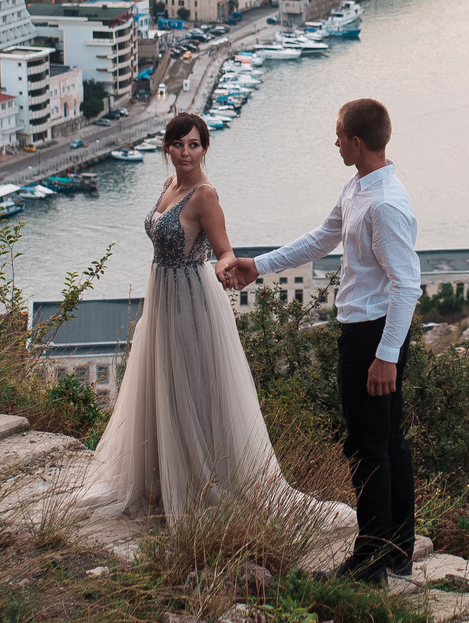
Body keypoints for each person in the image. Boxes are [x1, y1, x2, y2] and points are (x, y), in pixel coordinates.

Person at [77, 113, 336, 526]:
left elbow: (225, 250)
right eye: (178, 144)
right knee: (164, 385)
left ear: (204, 148)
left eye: (194, 145)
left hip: (190, 299)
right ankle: (162, 483)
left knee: (192, 387)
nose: (185, 152)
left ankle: (199, 485)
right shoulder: (168, 187)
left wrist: (226, 267)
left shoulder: (204, 196)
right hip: (161, 295)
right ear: (167, 147)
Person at [216, 98, 420, 582]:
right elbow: (320, 238)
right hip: (366, 331)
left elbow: (407, 286)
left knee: (368, 446)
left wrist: (385, 357)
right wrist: (257, 266)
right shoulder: (359, 188)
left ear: (356, 141)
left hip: (374, 335)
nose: (333, 143)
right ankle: (395, 553)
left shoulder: (386, 203)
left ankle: (370, 562)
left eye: (338, 135)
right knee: (385, 442)